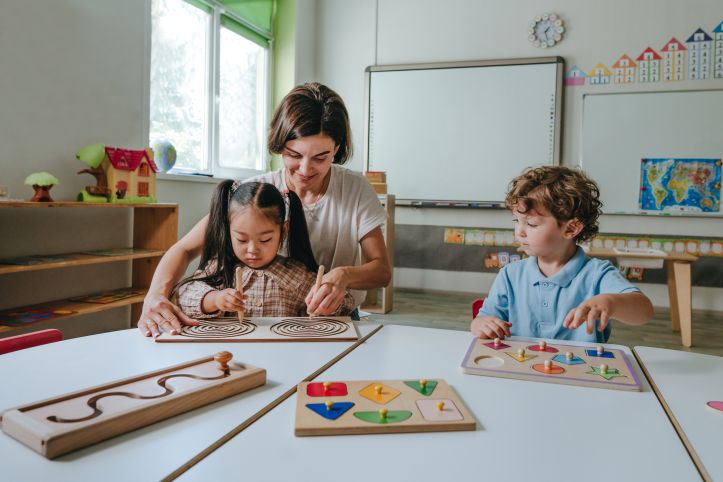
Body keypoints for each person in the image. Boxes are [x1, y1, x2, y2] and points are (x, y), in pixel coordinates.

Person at [138, 83, 390, 336]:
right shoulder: (256, 192)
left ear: (337, 149)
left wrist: (343, 276)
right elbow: (185, 248)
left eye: (320, 158)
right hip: (260, 325)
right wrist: (155, 296)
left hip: (336, 320)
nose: (304, 169)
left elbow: (381, 271)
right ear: (280, 145)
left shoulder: (355, 188)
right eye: (294, 155)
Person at [470, 166, 653, 343]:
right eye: (516, 221)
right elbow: (485, 319)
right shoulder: (510, 274)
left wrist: (611, 302)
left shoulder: (597, 273)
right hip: (520, 367)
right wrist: (480, 324)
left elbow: (644, 312)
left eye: (531, 224)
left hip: (581, 370)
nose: (519, 232)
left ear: (571, 228)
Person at [173, 181, 355, 321]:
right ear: (229, 231)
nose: (252, 250)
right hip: (232, 357)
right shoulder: (220, 267)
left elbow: (346, 305)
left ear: (283, 231)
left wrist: (328, 302)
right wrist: (214, 299)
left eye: (265, 240)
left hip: (282, 355)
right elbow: (181, 295)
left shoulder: (296, 275)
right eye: (242, 239)